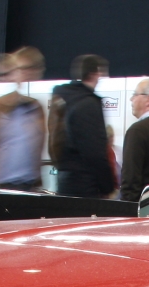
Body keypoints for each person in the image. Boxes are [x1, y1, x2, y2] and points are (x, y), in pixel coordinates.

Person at [49, 54, 114, 198]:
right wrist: (108, 185)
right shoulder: (88, 104)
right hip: (86, 187)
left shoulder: (62, 98)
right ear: (95, 73)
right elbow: (94, 152)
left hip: (65, 182)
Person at [0, 47, 46, 190]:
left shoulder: (36, 107)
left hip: (32, 183)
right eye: (21, 69)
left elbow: (38, 146)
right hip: (5, 185)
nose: (25, 74)